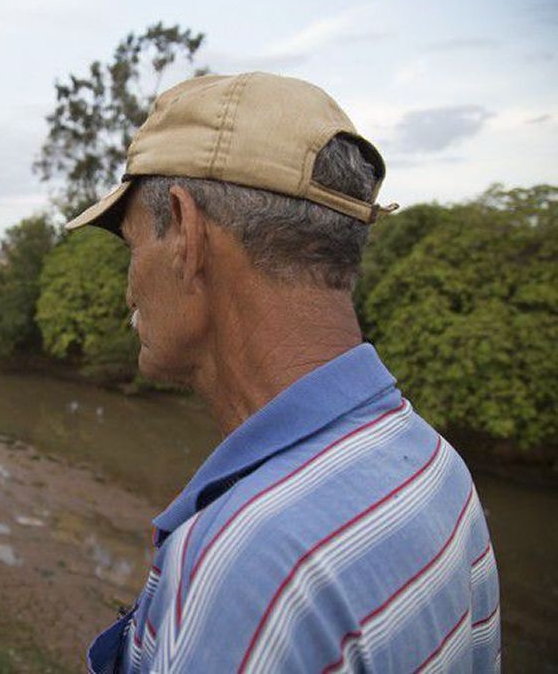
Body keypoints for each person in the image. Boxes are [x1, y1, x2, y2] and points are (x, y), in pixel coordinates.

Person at [67, 72, 501, 673]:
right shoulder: (434, 464)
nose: (128, 288)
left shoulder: (247, 569)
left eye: (132, 245)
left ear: (185, 231)